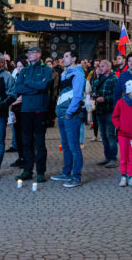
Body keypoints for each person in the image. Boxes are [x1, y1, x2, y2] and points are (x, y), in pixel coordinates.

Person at [14, 46, 52, 183]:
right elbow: (18, 87)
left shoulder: (46, 69)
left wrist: (28, 85)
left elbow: (44, 86)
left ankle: (41, 171)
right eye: (28, 53)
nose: (29, 55)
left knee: (39, 143)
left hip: (39, 110)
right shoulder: (24, 70)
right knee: (26, 142)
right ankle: (27, 170)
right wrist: (34, 87)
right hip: (26, 110)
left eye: (32, 52)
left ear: (39, 54)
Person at [51, 50, 86, 188]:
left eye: (66, 56)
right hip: (62, 114)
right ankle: (66, 173)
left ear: (73, 59)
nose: (63, 59)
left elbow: (77, 96)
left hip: (71, 115)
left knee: (74, 147)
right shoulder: (65, 74)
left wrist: (69, 112)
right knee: (65, 145)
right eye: (63, 56)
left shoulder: (77, 74)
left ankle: (76, 177)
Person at [91, 59, 118, 167]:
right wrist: (94, 97)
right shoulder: (98, 79)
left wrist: (105, 99)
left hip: (109, 111)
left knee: (110, 135)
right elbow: (93, 92)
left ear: (108, 67)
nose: (100, 68)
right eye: (99, 66)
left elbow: (116, 95)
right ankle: (107, 157)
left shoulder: (114, 79)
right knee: (103, 136)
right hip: (99, 111)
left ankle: (113, 158)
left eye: (102, 66)